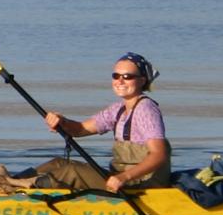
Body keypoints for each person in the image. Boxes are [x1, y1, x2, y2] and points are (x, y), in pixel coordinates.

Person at [38, 52, 170, 195]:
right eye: (116, 76)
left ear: (142, 80)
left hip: (143, 185)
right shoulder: (117, 110)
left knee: (72, 171)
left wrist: (124, 177)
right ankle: (13, 184)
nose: (120, 81)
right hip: (120, 179)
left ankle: (24, 190)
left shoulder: (146, 109)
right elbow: (80, 129)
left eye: (127, 77)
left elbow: (159, 154)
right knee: (59, 163)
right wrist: (62, 122)